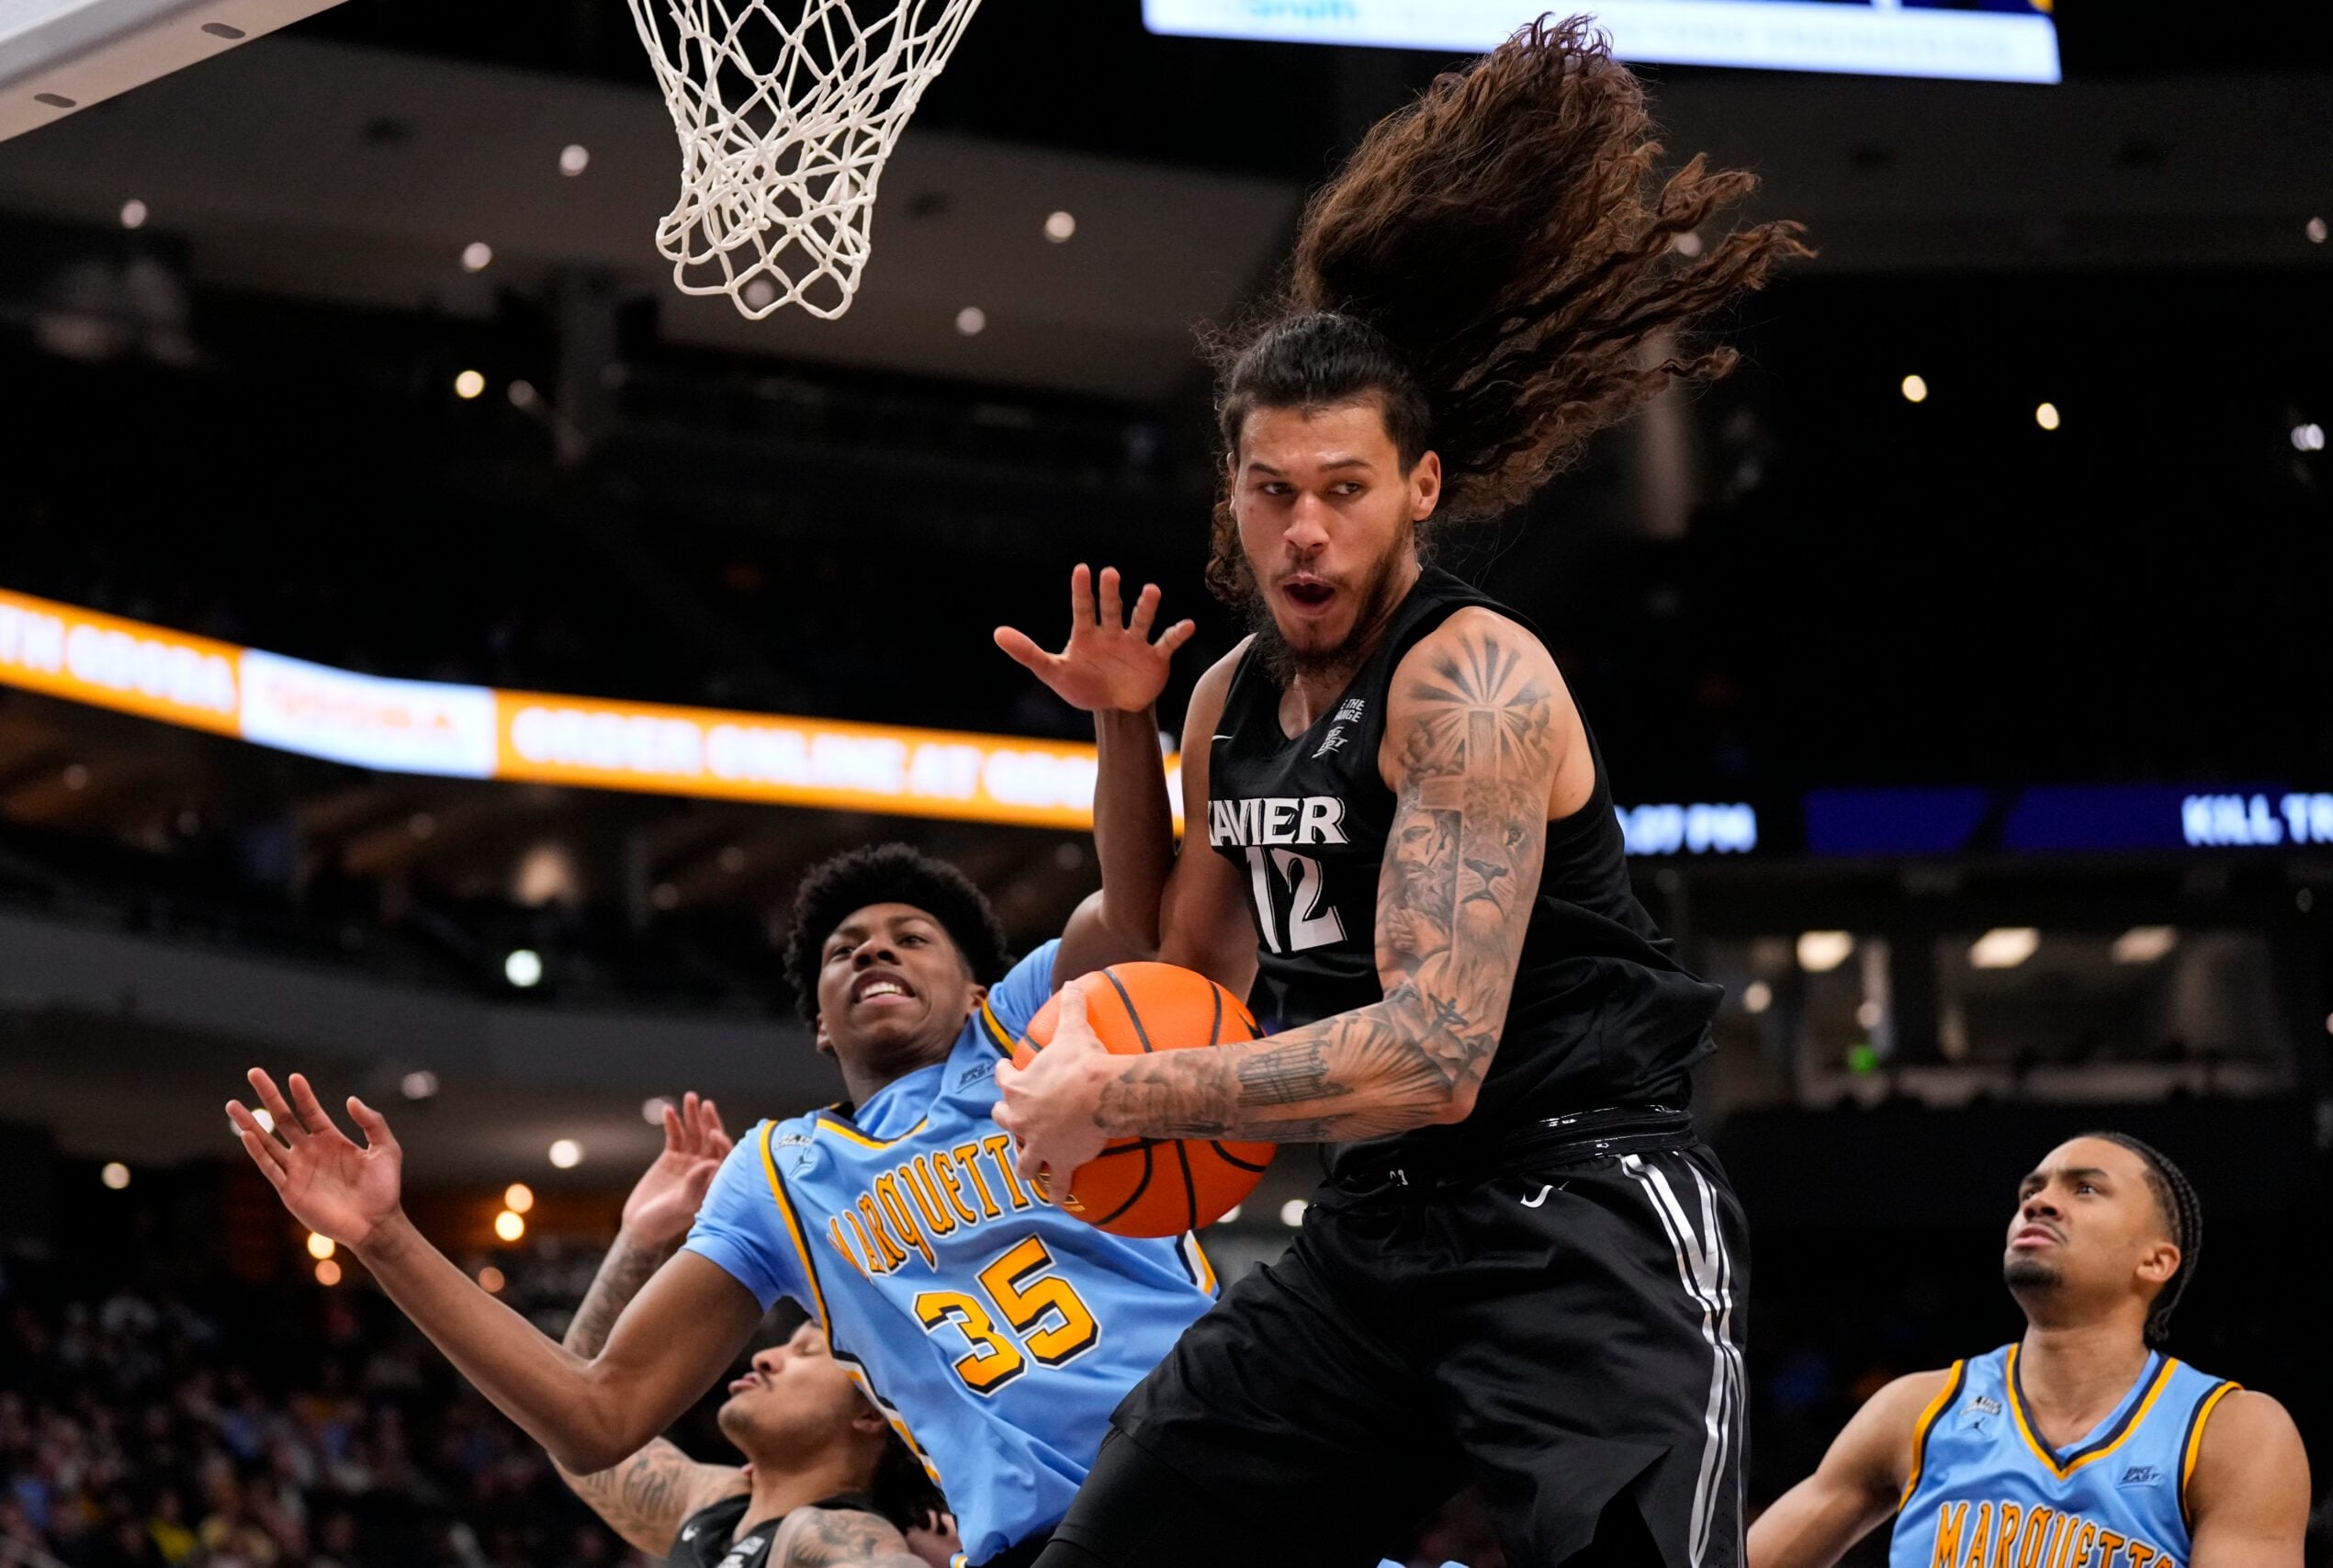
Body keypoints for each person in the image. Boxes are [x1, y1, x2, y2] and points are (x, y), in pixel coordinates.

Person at [991, 19, 1806, 1568]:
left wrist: (1124, 1094)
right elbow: (1181, 969)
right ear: (1231, 490)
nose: (1305, 533)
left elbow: (1435, 1051)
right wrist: (1123, 730)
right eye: (1272, 492)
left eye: (1344, 493)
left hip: (1576, 1209)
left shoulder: (1473, 678)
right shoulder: (1226, 698)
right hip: (1374, 1231)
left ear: (1420, 489)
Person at [226, 846, 1222, 1568]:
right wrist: (386, 1239)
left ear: (977, 989)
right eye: (843, 951)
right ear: (819, 1031)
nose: (873, 953)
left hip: (1228, 1444)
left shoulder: (1024, 1031)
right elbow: (595, 1416)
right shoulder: (779, 1172)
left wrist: (1120, 716)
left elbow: (1137, 918)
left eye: (910, 938)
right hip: (1058, 1531)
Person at [1748, 1133, 2309, 1568]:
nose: (2041, 1203)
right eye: (2031, 1191)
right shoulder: (1915, 1410)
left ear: (2155, 1261)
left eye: (2084, 1188)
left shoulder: (2232, 1431)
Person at [548, 1091, 954, 1568]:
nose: (764, 1357)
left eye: (804, 1352)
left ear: (870, 1413)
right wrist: (640, 1237)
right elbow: (579, 1421)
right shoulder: (712, 1508)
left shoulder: (836, 1533)